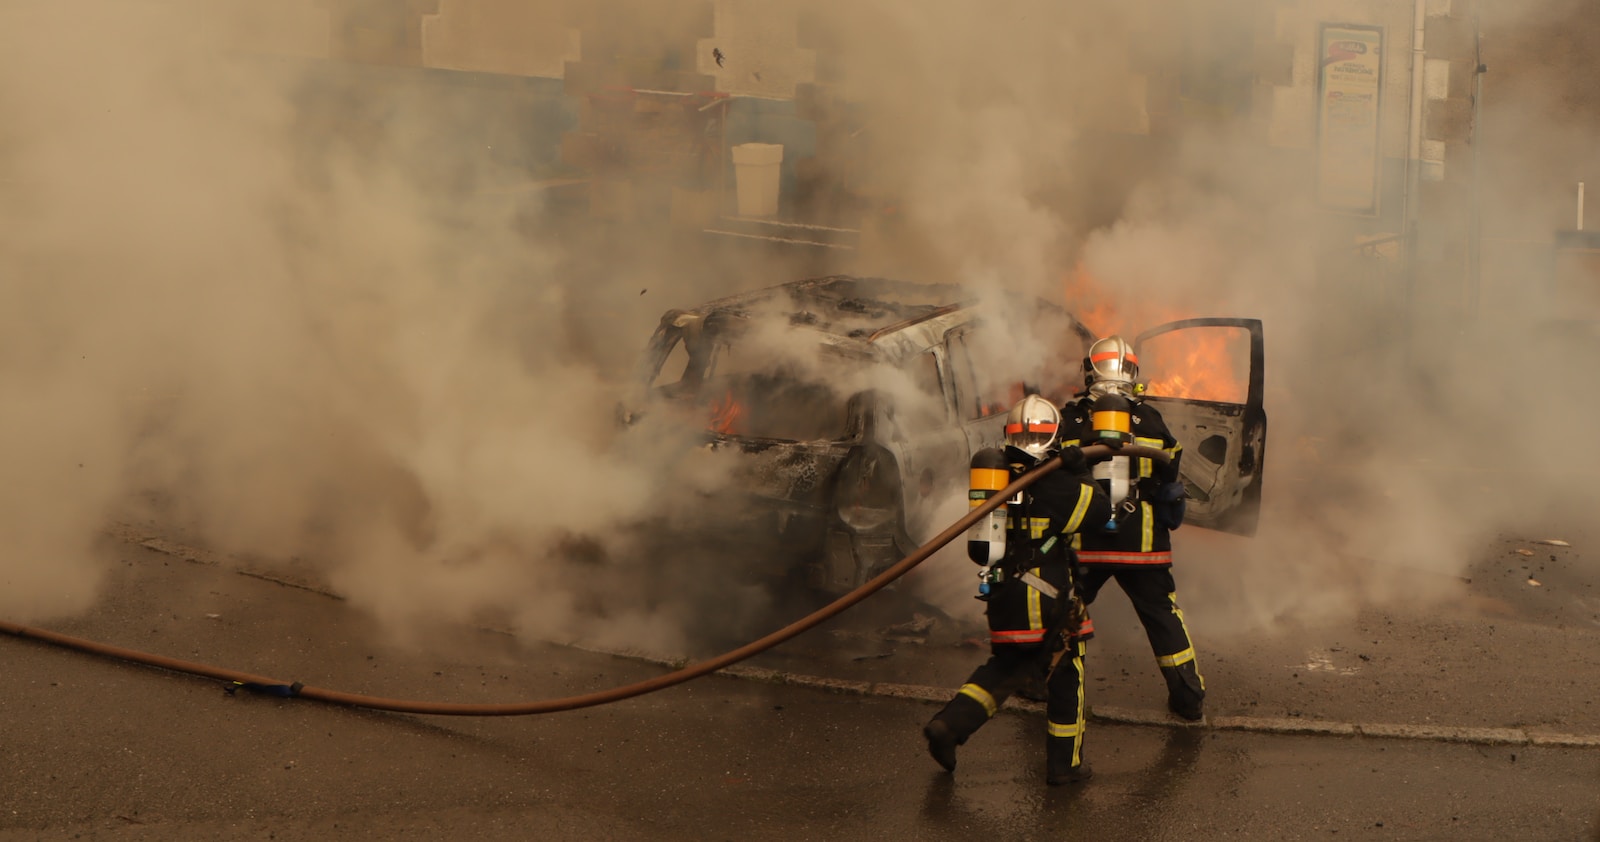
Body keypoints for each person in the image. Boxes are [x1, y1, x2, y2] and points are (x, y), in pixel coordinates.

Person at [922, 394, 1112, 786]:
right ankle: (1065, 766)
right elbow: (1099, 512)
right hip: (1046, 600)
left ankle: (949, 726)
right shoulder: (1057, 481)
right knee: (1066, 676)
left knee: (1004, 668)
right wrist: (1080, 471)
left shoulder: (997, 474)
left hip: (1004, 593)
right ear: (1055, 435)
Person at [1061, 335, 1206, 722]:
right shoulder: (1151, 419)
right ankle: (1188, 697)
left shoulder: (1071, 420)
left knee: (1063, 609)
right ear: (1132, 373)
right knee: (1161, 615)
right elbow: (1171, 464)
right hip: (1142, 544)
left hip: (1084, 544)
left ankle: (1040, 683)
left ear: (1090, 371)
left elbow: (1050, 474)